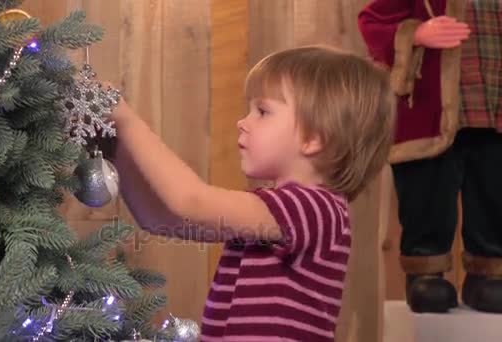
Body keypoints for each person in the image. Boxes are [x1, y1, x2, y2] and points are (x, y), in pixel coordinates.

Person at [103, 45, 395, 341]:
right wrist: (115, 150)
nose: (242, 122)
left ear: (314, 137)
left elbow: (189, 201)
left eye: (263, 111)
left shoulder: (314, 208)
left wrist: (127, 120)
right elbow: (159, 218)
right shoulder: (275, 211)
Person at [358, 0, 502, 313]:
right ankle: (425, 272)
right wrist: (417, 33)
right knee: (428, 192)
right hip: (432, 110)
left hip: (495, 110)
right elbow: (372, 22)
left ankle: (489, 272)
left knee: (493, 190)